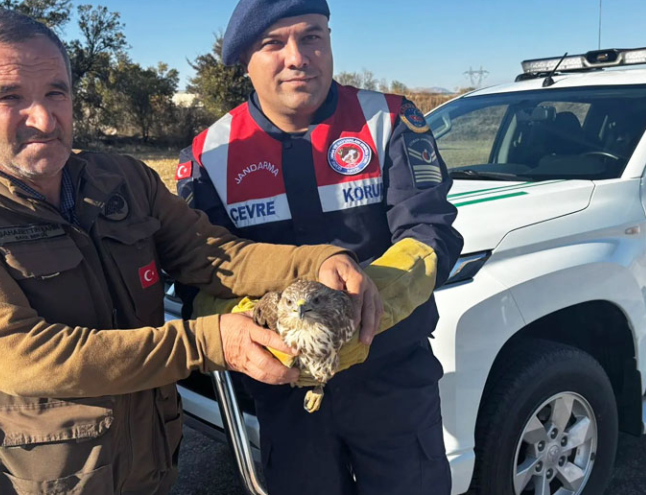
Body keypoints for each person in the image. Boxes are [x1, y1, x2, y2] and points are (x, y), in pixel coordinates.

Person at [0, 7, 380, 495]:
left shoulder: (121, 180)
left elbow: (213, 254)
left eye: (57, 92)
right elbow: (22, 357)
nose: (45, 118)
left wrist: (318, 260)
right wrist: (208, 342)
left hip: (146, 471)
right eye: (10, 97)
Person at [175, 1, 464, 493]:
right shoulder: (208, 154)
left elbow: (430, 232)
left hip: (390, 378)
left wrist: (363, 307)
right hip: (284, 392)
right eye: (273, 44)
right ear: (245, 59)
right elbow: (199, 277)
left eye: (312, 37)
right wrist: (272, 329)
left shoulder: (390, 119)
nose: (298, 57)